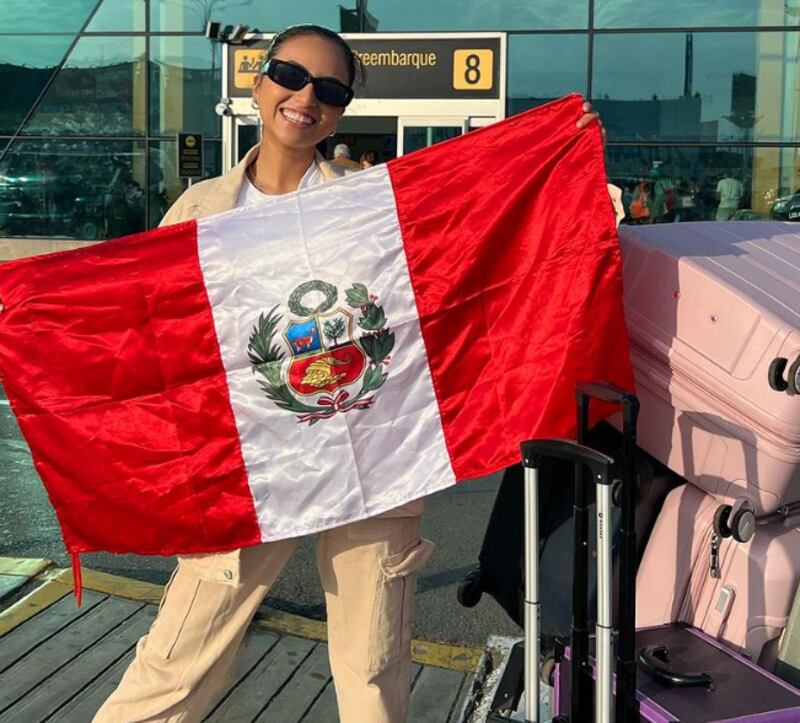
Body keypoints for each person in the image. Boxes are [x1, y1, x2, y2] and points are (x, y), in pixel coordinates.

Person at [93, 24, 604, 723]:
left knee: (372, 676)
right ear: (257, 81)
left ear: (342, 108)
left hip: (371, 464)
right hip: (248, 469)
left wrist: (557, 150)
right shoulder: (198, 212)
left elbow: (474, 234)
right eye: (291, 75)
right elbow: (149, 335)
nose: (307, 97)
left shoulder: (371, 203)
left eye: (330, 89)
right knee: (176, 662)